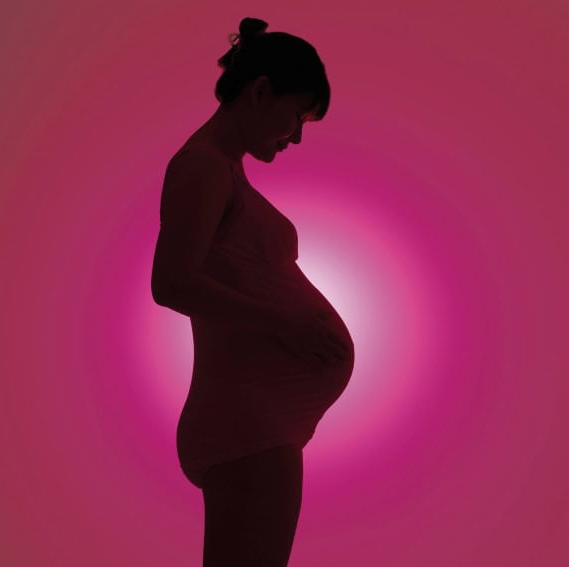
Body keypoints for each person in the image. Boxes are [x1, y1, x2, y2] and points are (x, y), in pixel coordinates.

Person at [150, 16, 355, 567]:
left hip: (258, 421)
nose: (296, 136)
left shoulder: (225, 172)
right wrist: (283, 323)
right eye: (296, 116)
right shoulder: (202, 166)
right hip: (249, 423)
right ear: (261, 91)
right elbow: (170, 282)